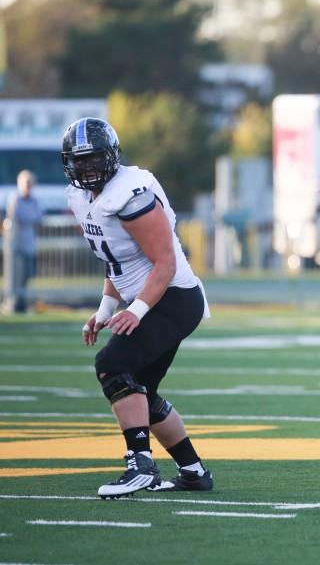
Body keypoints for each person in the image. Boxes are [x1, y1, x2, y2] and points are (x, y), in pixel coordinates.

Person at [62, 117, 213, 498]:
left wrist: (138, 310)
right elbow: (116, 260)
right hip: (152, 297)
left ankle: (140, 464)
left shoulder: (131, 193)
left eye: (94, 158)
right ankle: (193, 471)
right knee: (140, 389)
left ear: (111, 156)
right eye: (80, 161)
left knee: (113, 366)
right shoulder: (81, 198)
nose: (88, 168)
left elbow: (164, 261)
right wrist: (106, 307)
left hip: (173, 298)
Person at [4, 170, 43, 313]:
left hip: (29, 243)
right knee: (14, 275)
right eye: (26, 183)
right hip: (15, 244)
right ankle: (12, 303)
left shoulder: (35, 200)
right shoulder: (14, 198)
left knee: (27, 274)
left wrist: (29, 218)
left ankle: (21, 302)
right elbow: (18, 217)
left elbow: (38, 217)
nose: (28, 186)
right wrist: (30, 218)